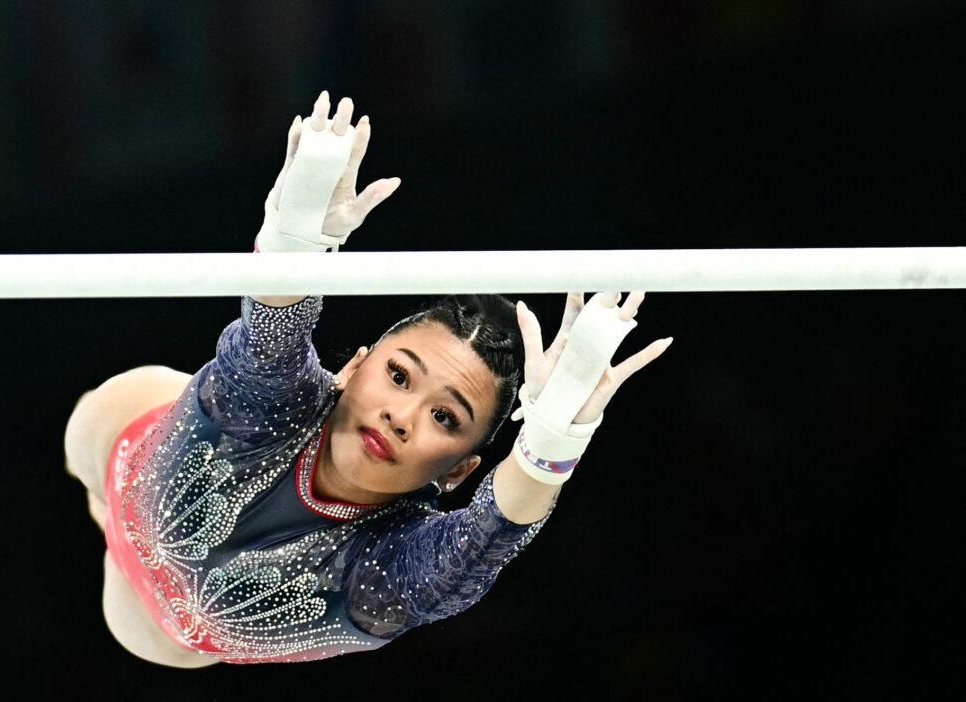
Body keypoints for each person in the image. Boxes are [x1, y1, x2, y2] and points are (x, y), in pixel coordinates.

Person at [63, 90, 673, 668]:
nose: (400, 416)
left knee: (134, 592)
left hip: (156, 627)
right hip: (117, 440)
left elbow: (490, 533)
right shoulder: (273, 404)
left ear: (461, 468)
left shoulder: (389, 569)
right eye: (399, 376)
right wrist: (292, 241)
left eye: (445, 417)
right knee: (93, 487)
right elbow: (271, 335)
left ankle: (107, 524)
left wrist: (550, 442)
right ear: (352, 367)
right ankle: (101, 507)